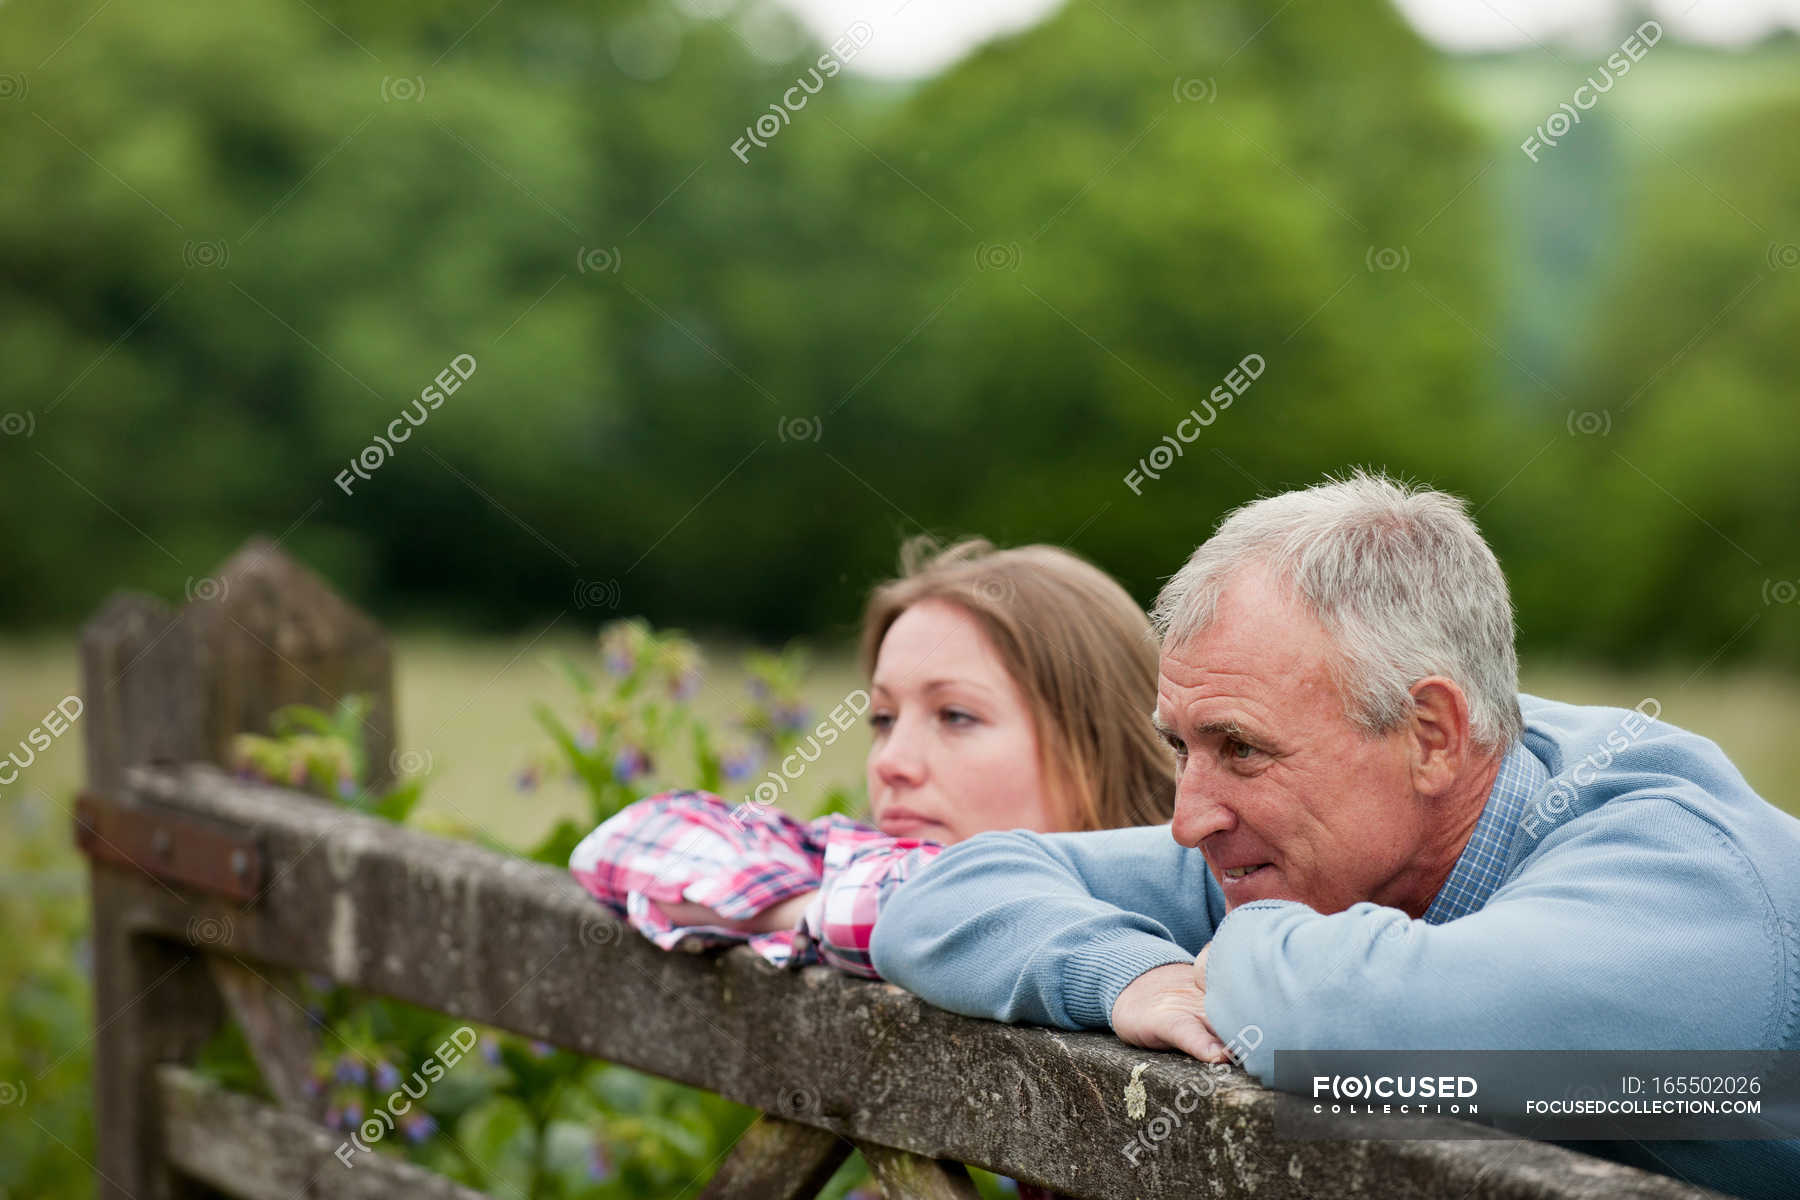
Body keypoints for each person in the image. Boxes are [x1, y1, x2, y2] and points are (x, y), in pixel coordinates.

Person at [869, 471, 1800, 1200]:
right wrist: (1130, 976)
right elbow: (945, 896)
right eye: (1181, 747)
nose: (1188, 818)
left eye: (1239, 747)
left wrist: (1231, 953)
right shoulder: (1331, 833)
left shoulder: (1684, 877)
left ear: (1432, 735)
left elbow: (1353, 1023)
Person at [569, 534, 1176, 978]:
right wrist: (815, 907)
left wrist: (864, 913)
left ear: (1097, 740)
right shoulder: (867, 873)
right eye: (884, 719)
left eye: (956, 716)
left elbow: (1277, 1126)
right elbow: (624, 841)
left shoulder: (1204, 912)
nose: (892, 762)